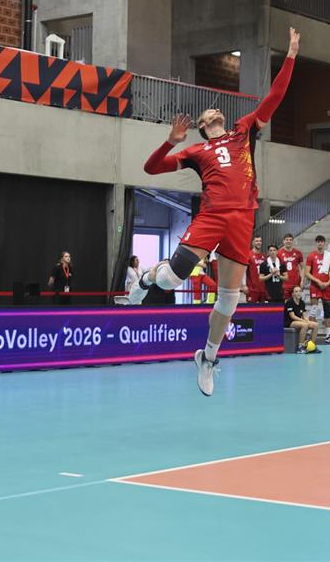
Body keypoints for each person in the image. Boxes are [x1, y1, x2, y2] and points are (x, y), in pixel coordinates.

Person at [127, 27, 299, 396]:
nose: (216, 110)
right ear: (203, 126)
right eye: (210, 112)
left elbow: (275, 96)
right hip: (212, 216)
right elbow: (150, 169)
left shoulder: (243, 130)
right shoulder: (195, 152)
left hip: (243, 219)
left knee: (229, 299)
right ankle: (144, 280)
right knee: (171, 280)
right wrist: (170, 142)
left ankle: (207, 358)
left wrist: (290, 56)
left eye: (217, 110)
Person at [304, 235, 330, 331]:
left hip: (326, 286)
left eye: (321, 241)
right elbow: (307, 273)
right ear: (316, 243)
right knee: (314, 310)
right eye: (318, 241)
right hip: (315, 286)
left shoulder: (328, 256)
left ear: (324, 243)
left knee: (327, 310)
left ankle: (328, 334)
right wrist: (318, 281)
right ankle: (312, 333)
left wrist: (328, 283)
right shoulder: (311, 255)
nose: (320, 243)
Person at [284, 285, 319, 352]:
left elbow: (304, 315)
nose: (298, 293)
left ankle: (311, 345)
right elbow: (292, 316)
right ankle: (300, 347)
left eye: (300, 291)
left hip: (298, 321)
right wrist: (303, 321)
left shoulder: (302, 302)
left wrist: (307, 320)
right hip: (289, 322)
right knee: (304, 325)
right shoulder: (289, 302)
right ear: (292, 294)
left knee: (316, 325)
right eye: (296, 291)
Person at [275, 234, 304, 301]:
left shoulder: (298, 253)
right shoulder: (279, 253)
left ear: (292, 241)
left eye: (290, 240)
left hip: (296, 283)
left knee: (296, 303)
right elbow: (276, 268)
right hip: (284, 285)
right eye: (287, 240)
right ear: (283, 241)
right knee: (286, 304)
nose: (288, 241)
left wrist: (302, 280)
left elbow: (302, 267)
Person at [245, 236, 268, 304]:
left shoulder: (264, 256)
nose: (259, 242)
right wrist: (244, 285)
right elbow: (243, 271)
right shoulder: (248, 255)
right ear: (253, 243)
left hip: (263, 288)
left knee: (262, 308)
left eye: (260, 241)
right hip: (252, 288)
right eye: (257, 241)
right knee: (251, 308)